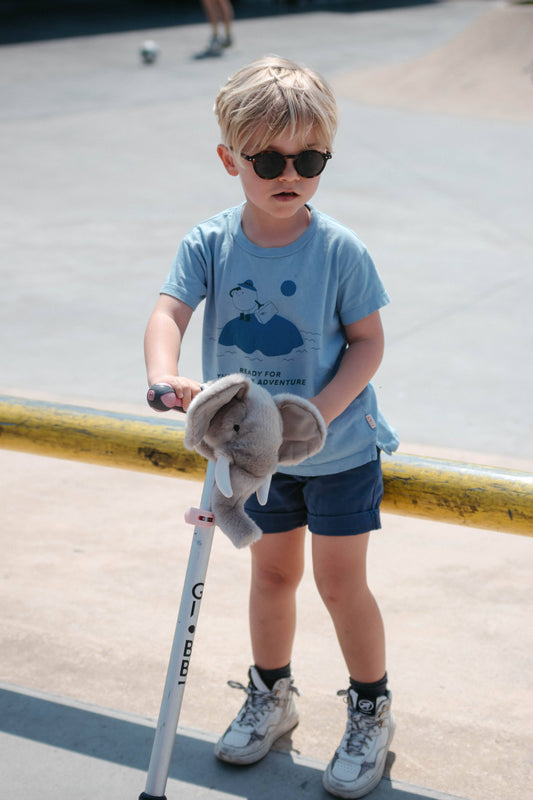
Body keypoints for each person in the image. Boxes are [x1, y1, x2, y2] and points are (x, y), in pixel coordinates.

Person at [144, 56, 399, 799]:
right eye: (267, 159)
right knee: (272, 574)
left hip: (338, 451)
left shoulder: (339, 249)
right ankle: (270, 693)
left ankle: (370, 708)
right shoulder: (211, 243)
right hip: (253, 454)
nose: (290, 172)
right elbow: (168, 312)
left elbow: (368, 342)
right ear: (230, 159)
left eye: (309, 158)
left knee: (338, 584)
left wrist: (316, 414)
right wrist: (165, 376)